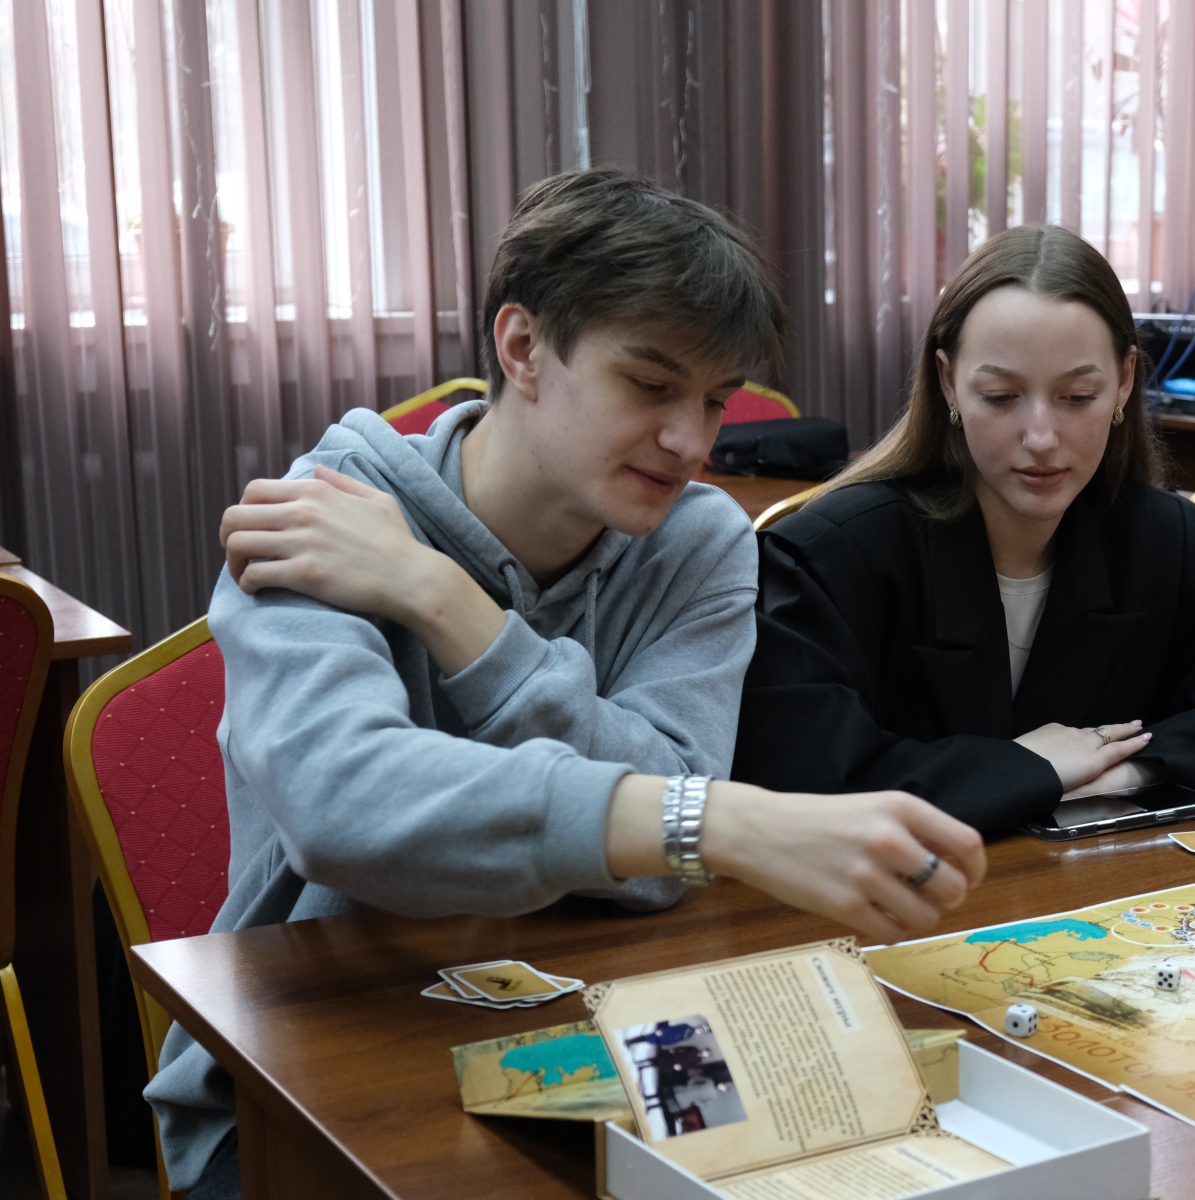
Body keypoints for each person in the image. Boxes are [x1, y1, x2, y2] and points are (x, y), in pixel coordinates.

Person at [145, 168, 984, 1200]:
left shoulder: (701, 541)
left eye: (714, 400)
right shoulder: (326, 514)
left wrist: (450, 605)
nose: (692, 443)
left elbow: (655, 870)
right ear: (522, 347)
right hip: (298, 1074)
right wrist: (711, 821)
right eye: (650, 385)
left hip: (591, 1035)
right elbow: (344, 807)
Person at [734, 225, 1195, 834]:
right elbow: (794, 778)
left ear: (1124, 383)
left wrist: (1135, 764)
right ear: (948, 383)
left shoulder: (1166, 539)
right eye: (1001, 397)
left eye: (1078, 397)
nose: (1042, 437)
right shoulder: (833, 554)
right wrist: (1030, 769)